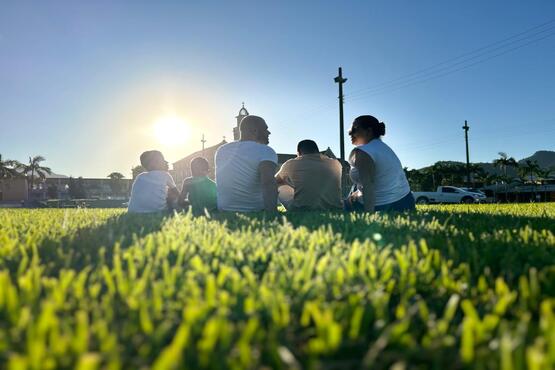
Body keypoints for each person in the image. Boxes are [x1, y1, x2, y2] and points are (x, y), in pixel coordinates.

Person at [346, 115, 415, 212]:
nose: (350, 133)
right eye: (350, 130)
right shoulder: (384, 148)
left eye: (355, 129)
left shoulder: (363, 152)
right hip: (407, 202)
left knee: (342, 205)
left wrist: (368, 214)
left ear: (368, 131)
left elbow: (368, 186)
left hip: (382, 206)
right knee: (355, 191)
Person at [215, 115, 278, 212]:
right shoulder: (266, 151)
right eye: (265, 129)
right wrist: (273, 214)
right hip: (255, 209)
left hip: (225, 210)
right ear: (254, 131)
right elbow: (268, 183)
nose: (269, 132)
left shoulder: (222, 150)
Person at [275, 139, 342, 211]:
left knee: (280, 186)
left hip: (302, 208)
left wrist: (289, 183)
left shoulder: (291, 164)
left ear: (298, 152)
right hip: (334, 208)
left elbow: (274, 181)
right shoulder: (336, 164)